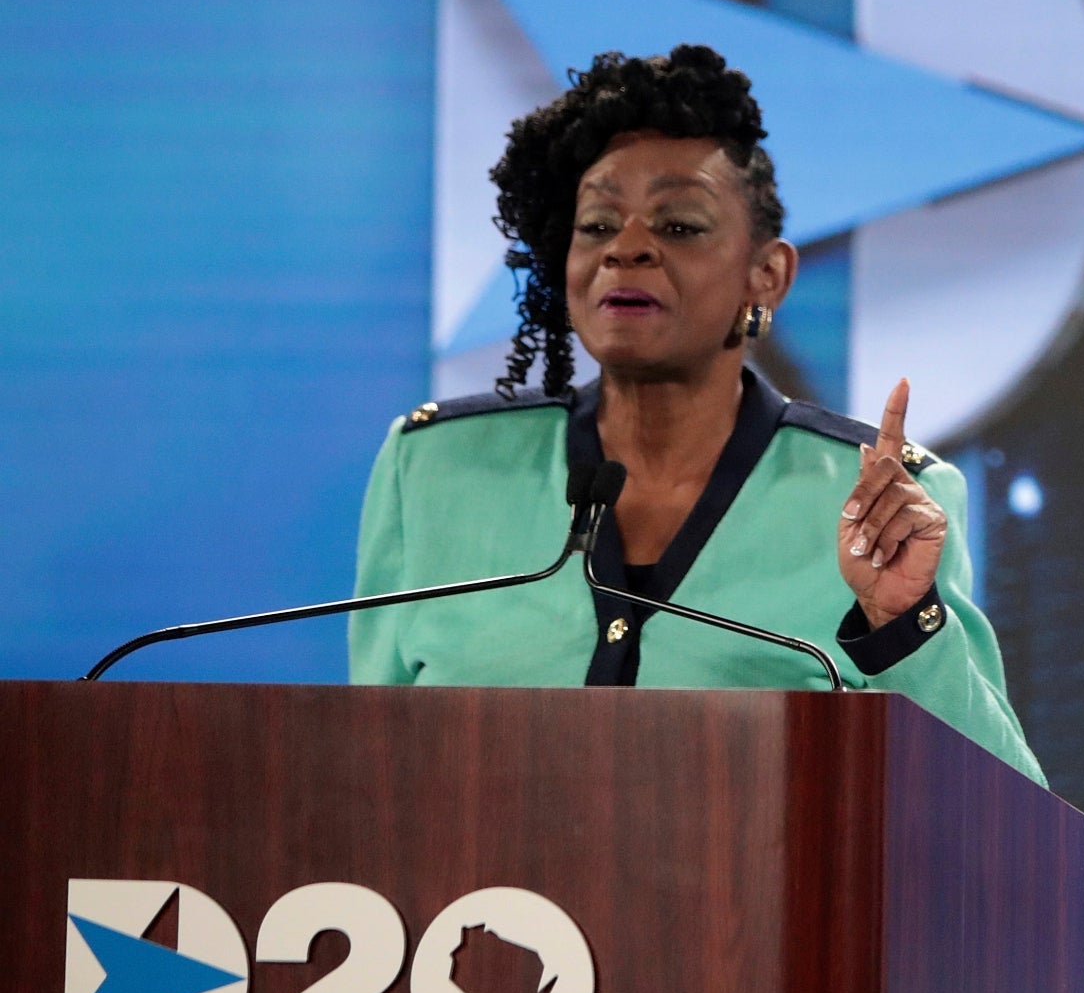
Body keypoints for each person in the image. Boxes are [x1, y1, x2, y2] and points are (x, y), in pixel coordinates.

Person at [351, 44, 1041, 785]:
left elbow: (999, 815)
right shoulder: (432, 470)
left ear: (765, 275)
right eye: (597, 225)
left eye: (678, 225)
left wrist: (901, 624)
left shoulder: (878, 502)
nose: (628, 249)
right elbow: (358, 771)